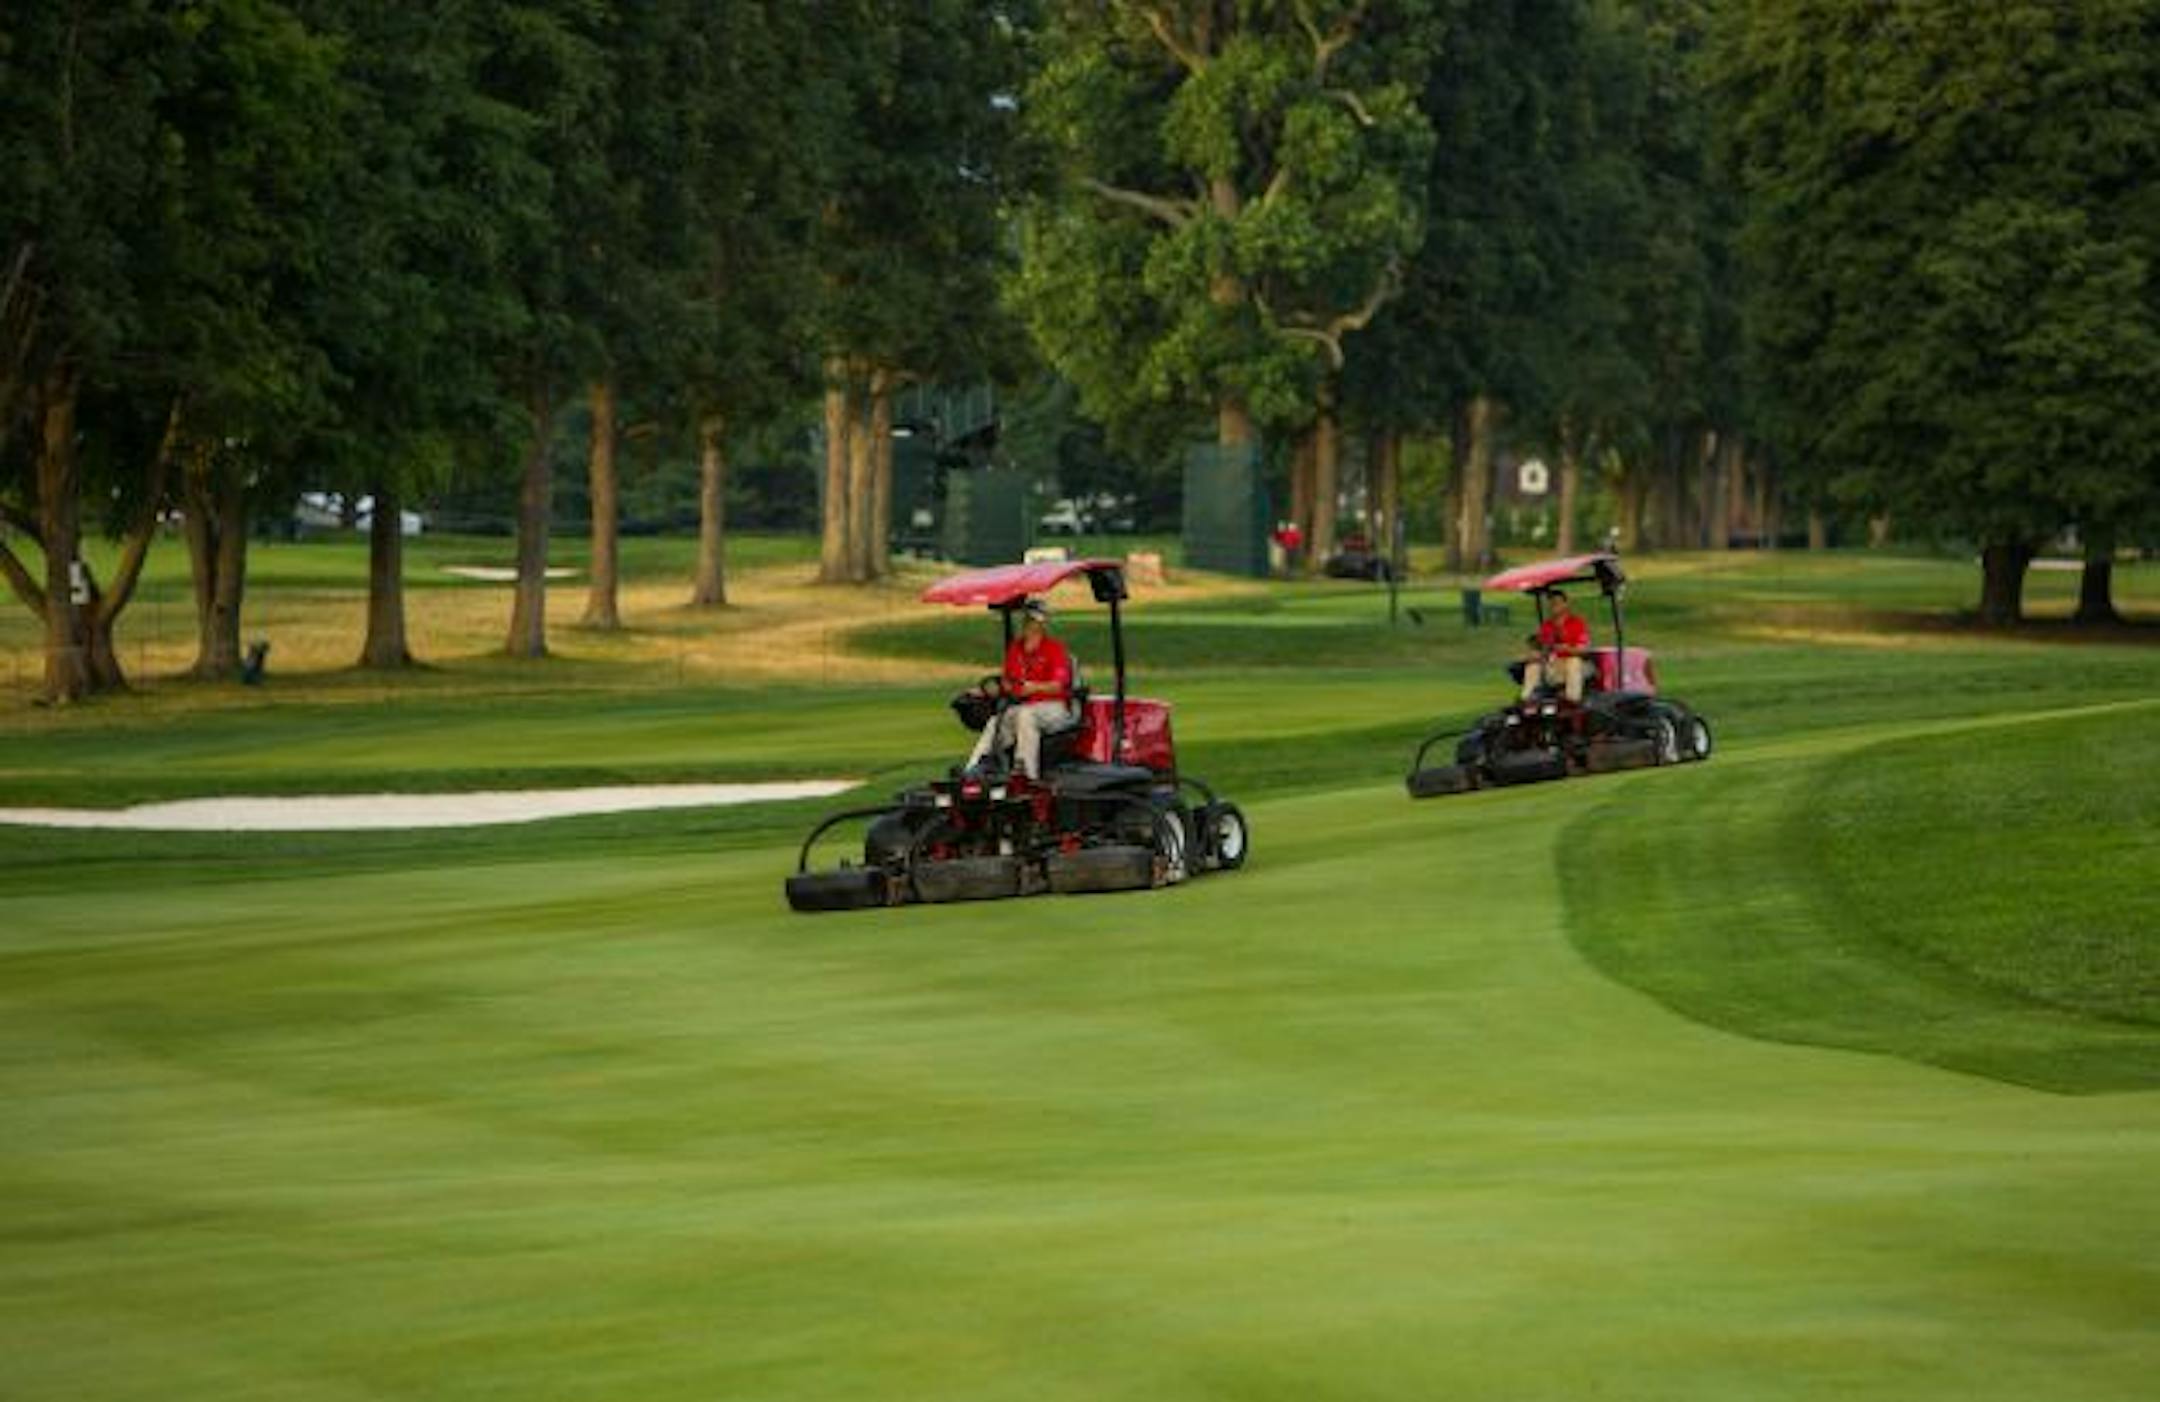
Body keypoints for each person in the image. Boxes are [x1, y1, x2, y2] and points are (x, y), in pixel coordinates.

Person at [964, 599, 1077, 781]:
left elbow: (1058, 685)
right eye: (1027, 620)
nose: (1028, 625)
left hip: (1053, 707)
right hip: (1022, 706)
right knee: (995, 722)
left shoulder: (1054, 649)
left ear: (1041, 625)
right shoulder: (1015, 649)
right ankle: (973, 769)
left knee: (1025, 716)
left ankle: (1025, 775)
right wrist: (985, 690)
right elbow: (1007, 681)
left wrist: (1033, 687)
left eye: (1033, 621)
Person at [1521, 588, 1591, 703]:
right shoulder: (1547, 626)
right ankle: (1526, 700)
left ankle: (1572, 700)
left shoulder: (1577, 623)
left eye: (1557, 602)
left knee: (1573, 662)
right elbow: (1542, 648)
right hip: (1553, 665)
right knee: (1533, 667)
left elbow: (1583, 650)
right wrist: (1536, 655)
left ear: (1565, 604)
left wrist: (1566, 649)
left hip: (1575, 664)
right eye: (1551, 603)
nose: (1554, 605)